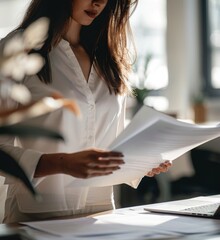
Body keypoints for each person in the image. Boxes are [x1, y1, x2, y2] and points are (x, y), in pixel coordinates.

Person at [0, 0, 171, 223]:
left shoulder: (109, 57)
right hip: (36, 218)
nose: (99, 2)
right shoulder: (16, 48)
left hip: (100, 215)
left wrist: (142, 159)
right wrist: (62, 163)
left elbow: (111, 140)